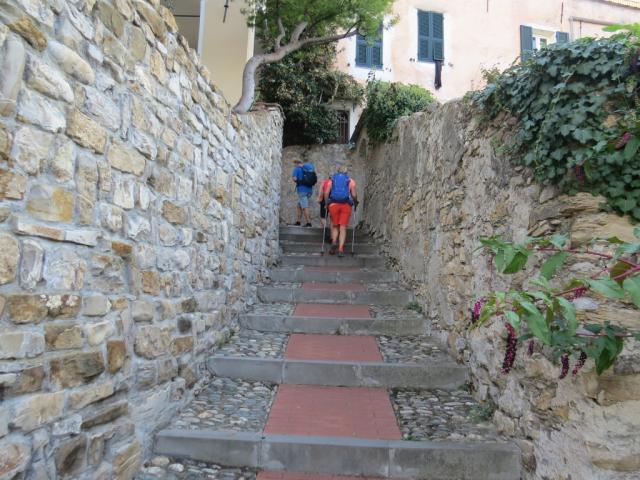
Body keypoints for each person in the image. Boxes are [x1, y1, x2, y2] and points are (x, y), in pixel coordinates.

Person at [324, 166, 358, 257]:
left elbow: (326, 192)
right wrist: (355, 202)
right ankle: (340, 249)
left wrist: (326, 203)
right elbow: (354, 195)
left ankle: (334, 242)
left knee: (335, 226)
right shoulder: (350, 180)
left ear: (338, 171)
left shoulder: (332, 180)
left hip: (333, 205)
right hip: (346, 205)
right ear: (346, 172)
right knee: (343, 227)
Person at [291, 159, 317, 227]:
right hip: (309, 191)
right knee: (299, 205)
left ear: (296, 163)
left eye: (294, 163)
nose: (294, 165)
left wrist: (297, 180)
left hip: (302, 191)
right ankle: (298, 221)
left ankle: (309, 223)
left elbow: (294, 178)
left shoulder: (297, 169)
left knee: (305, 206)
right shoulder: (307, 168)